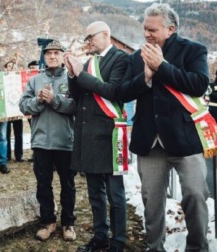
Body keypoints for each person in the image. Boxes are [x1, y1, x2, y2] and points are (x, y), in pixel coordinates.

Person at [120, 3, 210, 251]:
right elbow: (124, 92)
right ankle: (155, 247)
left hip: (185, 138)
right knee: (151, 201)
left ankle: (198, 247)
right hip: (148, 140)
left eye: (152, 30)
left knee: (195, 195)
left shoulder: (193, 51)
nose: (147, 34)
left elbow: (199, 84)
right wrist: (146, 77)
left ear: (170, 29)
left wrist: (162, 68)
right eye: (145, 29)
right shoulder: (135, 57)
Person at [64, 21, 128, 252]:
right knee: (94, 193)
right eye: (86, 38)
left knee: (115, 194)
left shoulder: (120, 58)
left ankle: (118, 240)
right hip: (88, 134)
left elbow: (113, 91)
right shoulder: (90, 62)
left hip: (109, 134)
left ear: (105, 34)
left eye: (90, 37)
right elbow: (77, 95)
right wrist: (73, 74)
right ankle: (100, 235)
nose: (87, 41)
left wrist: (81, 74)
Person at [19, 40, 77, 242]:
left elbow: (75, 106)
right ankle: (48, 222)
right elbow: (23, 106)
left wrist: (54, 99)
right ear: (44, 57)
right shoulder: (35, 80)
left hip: (66, 142)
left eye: (56, 53)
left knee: (67, 185)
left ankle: (68, 223)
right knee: (43, 185)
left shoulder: (71, 78)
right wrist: (38, 100)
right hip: (41, 142)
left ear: (62, 56)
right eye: (49, 53)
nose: (52, 56)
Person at [4, 59, 24, 162]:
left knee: (18, 134)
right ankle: (7, 155)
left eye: (13, 66)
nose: (11, 68)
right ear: (5, 68)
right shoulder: (2, 78)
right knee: (6, 134)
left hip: (17, 110)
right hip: (7, 110)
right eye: (9, 66)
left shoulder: (19, 78)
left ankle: (19, 155)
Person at [26, 60, 40, 162]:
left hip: (40, 111)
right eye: (31, 68)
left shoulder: (41, 79)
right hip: (31, 109)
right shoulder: (28, 79)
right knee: (34, 132)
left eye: (35, 67)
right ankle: (35, 154)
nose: (33, 69)